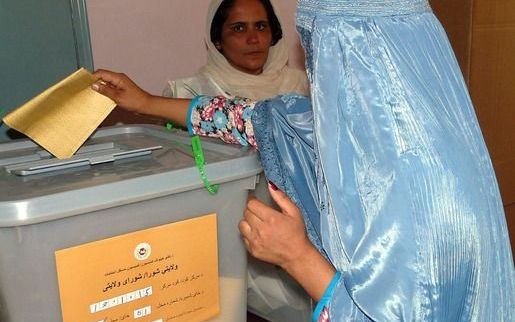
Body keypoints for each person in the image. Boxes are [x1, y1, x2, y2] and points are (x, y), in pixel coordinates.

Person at [92, 0, 514, 321]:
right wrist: (146, 102)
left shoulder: (419, 192)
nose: (317, 69)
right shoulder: (374, 128)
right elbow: (256, 120)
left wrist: (297, 256)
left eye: (326, 55)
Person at [163, 0, 308, 100]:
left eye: (261, 27)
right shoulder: (189, 94)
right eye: (239, 28)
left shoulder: (306, 89)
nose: (253, 39)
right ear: (217, 40)